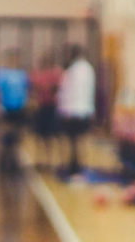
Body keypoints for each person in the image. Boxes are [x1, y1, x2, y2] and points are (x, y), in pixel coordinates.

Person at [57, 44, 95, 177]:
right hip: (84, 110)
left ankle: (74, 167)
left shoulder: (72, 71)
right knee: (80, 140)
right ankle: (79, 166)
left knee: (72, 141)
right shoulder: (89, 69)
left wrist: (63, 109)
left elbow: (66, 91)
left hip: (72, 110)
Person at [29, 49, 64, 170]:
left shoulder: (56, 73)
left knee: (53, 136)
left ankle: (52, 161)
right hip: (41, 107)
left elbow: (57, 88)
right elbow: (33, 89)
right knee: (39, 137)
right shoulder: (37, 74)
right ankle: (40, 159)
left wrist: (48, 89)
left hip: (52, 107)